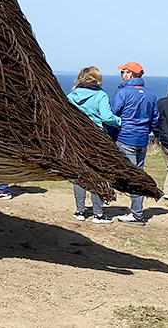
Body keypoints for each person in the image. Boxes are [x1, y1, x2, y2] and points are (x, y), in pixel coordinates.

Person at [66, 66, 119, 223]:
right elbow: (107, 118)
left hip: (78, 137)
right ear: (97, 79)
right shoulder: (100, 95)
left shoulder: (72, 95)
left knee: (80, 174)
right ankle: (98, 213)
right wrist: (120, 122)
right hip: (96, 138)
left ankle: (80, 211)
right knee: (98, 173)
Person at [111, 61, 159, 225]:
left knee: (132, 175)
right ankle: (136, 211)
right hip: (141, 139)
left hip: (125, 137)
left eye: (123, 72)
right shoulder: (150, 94)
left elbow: (113, 114)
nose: (121, 75)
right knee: (138, 172)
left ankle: (137, 214)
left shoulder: (123, 93)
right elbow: (155, 119)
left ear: (130, 74)